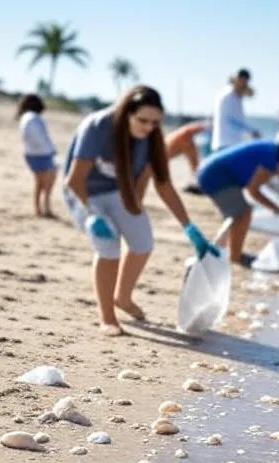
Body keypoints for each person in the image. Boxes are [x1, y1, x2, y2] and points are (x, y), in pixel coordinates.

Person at [62, 85, 219, 337]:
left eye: (155, 123)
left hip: (119, 191)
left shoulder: (152, 138)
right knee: (108, 242)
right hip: (84, 194)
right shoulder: (98, 126)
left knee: (142, 242)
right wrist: (93, 215)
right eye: (142, 120)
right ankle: (107, 317)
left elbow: (164, 185)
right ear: (126, 113)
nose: (148, 128)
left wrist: (189, 227)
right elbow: (74, 180)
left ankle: (122, 297)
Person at [195, 140, 279, 264]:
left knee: (237, 214)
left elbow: (264, 181)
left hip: (210, 170)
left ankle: (228, 252)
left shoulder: (272, 151)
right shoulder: (271, 160)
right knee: (243, 213)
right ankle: (235, 257)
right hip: (216, 175)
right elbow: (253, 190)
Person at [17, 93, 58, 218]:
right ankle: (46, 208)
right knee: (47, 183)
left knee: (39, 183)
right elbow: (41, 137)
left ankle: (38, 208)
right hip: (42, 153)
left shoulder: (24, 118)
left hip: (30, 153)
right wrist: (51, 149)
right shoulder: (34, 118)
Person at [211, 68, 260, 152]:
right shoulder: (227, 96)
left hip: (231, 145)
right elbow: (232, 122)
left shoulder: (236, 96)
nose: (245, 85)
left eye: (246, 82)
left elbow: (251, 93)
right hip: (226, 145)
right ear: (236, 80)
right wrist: (250, 131)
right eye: (243, 81)